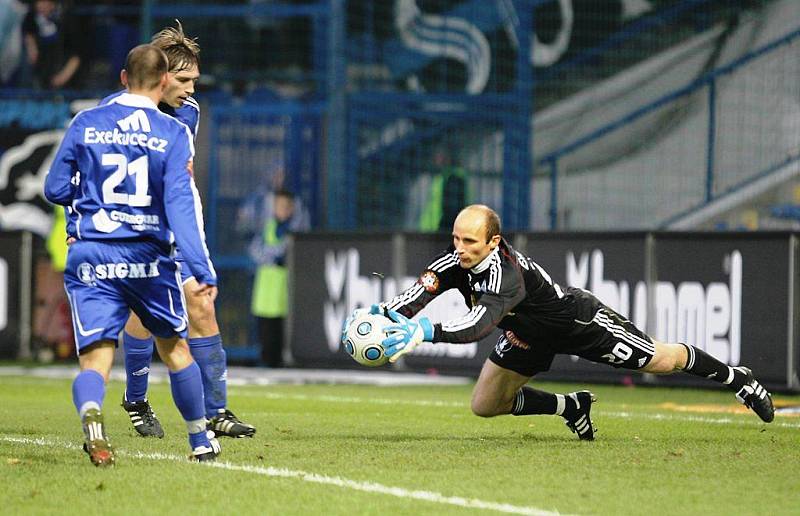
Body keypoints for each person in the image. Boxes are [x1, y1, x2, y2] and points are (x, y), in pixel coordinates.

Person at [347, 204, 775, 440]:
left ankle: (738, 378)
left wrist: (424, 331)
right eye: (456, 238)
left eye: (470, 241)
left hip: (577, 323)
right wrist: (386, 314)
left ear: (494, 242)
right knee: (484, 406)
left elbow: (478, 325)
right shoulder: (455, 260)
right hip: (526, 336)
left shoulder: (505, 275)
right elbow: (422, 289)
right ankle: (570, 406)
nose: (460, 248)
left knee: (660, 360)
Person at [44, 44, 221, 466]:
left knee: (97, 355)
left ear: (123, 78)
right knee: (176, 349)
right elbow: (179, 204)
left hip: (93, 253)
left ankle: (91, 410)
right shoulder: (173, 132)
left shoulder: (86, 121)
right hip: (147, 254)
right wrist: (199, 267)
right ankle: (200, 440)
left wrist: (85, 208)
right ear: (163, 82)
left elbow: (54, 188)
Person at [96, 21, 256, 439]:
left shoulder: (188, 113)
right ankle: (135, 398)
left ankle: (217, 410)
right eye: (183, 80)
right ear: (161, 77)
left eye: (195, 80)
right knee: (143, 315)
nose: (191, 88)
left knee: (201, 304)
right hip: (131, 227)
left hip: (174, 223)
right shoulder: (113, 112)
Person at [241, 188, 309, 367]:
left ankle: (281, 363)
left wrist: (271, 256)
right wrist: (271, 257)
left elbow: (288, 253)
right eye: (279, 205)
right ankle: (267, 363)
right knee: (265, 330)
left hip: (284, 290)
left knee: (282, 331)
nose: (283, 210)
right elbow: (255, 250)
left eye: (287, 206)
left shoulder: (295, 229)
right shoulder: (268, 226)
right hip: (265, 289)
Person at [22, 0, 84, 89]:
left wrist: (63, 76)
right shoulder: (31, 17)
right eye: (39, 2)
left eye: (45, 2)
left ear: (53, 4)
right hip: (41, 71)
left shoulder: (67, 21)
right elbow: (28, 33)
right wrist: (32, 47)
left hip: (64, 72)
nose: (41, 6)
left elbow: (76, 56)